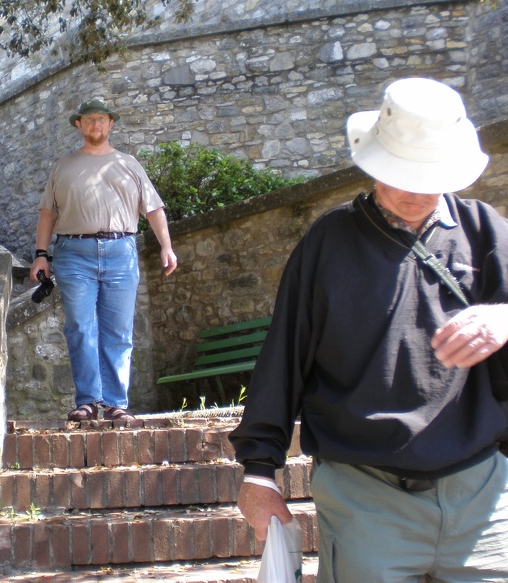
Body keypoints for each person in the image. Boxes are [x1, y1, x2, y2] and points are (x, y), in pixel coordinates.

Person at [229, 77, 508, 582]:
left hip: (482, 493)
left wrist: (503, 318)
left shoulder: (483, 229)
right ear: (375, 164)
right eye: (402, 173)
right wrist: (259, 470)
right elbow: (284, 354)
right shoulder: (329, 241)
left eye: (429, 176)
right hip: (365, 495)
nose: (415, 192)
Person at [30, 98, 178, 422]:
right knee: (80, 327)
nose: (95, 124)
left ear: (111, 124)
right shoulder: (63, 166)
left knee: (119, 331)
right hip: (73, 254)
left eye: (101, 119)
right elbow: (47, 213)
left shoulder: (129, 164)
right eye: (89, 119)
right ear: (79, 125)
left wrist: (166, 246)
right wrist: (40, 254)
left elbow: (153, 209)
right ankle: (87, 401)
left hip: (121, 252)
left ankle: (115, 403)